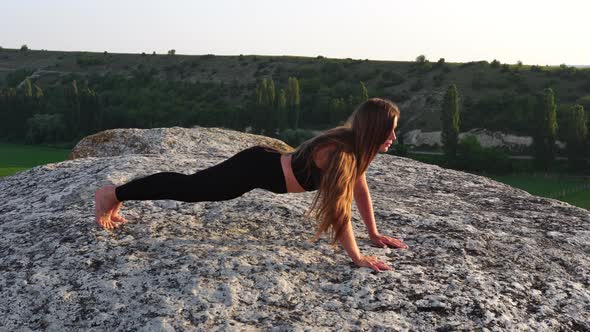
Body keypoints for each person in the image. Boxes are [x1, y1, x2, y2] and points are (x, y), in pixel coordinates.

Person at [94, 97, 408, 272]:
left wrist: (374, 233)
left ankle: (119, 194)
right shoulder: (340, 153)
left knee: (188, 186)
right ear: (373, 129)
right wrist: (357, 257)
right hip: (254, 170)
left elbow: (360, 189)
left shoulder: (355, 150)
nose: (394, 137)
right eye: (390, 131)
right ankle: (112, 193)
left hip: (264, 164)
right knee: (188, 189)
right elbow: (340, 212)